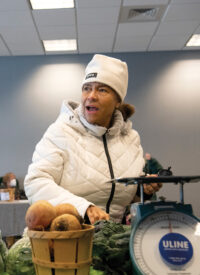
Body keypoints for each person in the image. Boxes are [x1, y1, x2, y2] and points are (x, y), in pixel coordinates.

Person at [24, 54, 162, 224]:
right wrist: (83, 207)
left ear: (118, 101)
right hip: (69, 235)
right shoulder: (60, 132)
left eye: (102, 90)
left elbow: (123, 196)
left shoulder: (130, 139)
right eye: (87, 88)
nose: (91, 96)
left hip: (114, 238)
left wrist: (143, 190)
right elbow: (35, 182)